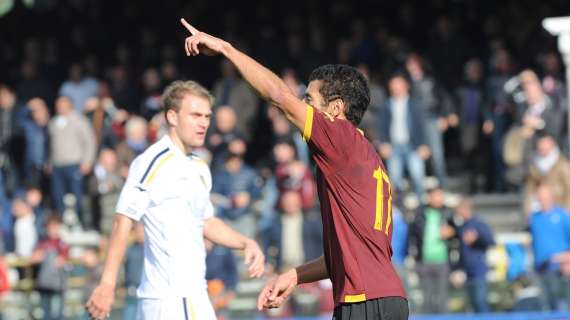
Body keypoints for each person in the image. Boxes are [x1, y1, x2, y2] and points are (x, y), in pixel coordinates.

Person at [180, 19, 408, 319]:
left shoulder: (339, 138)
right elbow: (346, 256)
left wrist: (226, 49)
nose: (303, 105)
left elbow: (279, 96)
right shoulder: (361, 155)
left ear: (335, 109)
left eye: (309, 100)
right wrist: (294, 275)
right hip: (381, 297)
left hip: (365, 301)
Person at [85, 80, 265, 320]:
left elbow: (207, 222)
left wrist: (245, 242)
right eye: (195, 115)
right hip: (168, 300)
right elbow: (123, 221)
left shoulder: (200, 167)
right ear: (172, 116)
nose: (203, 123)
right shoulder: (152, 162)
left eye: (207, 116)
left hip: (194, 296)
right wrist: (107, 284)